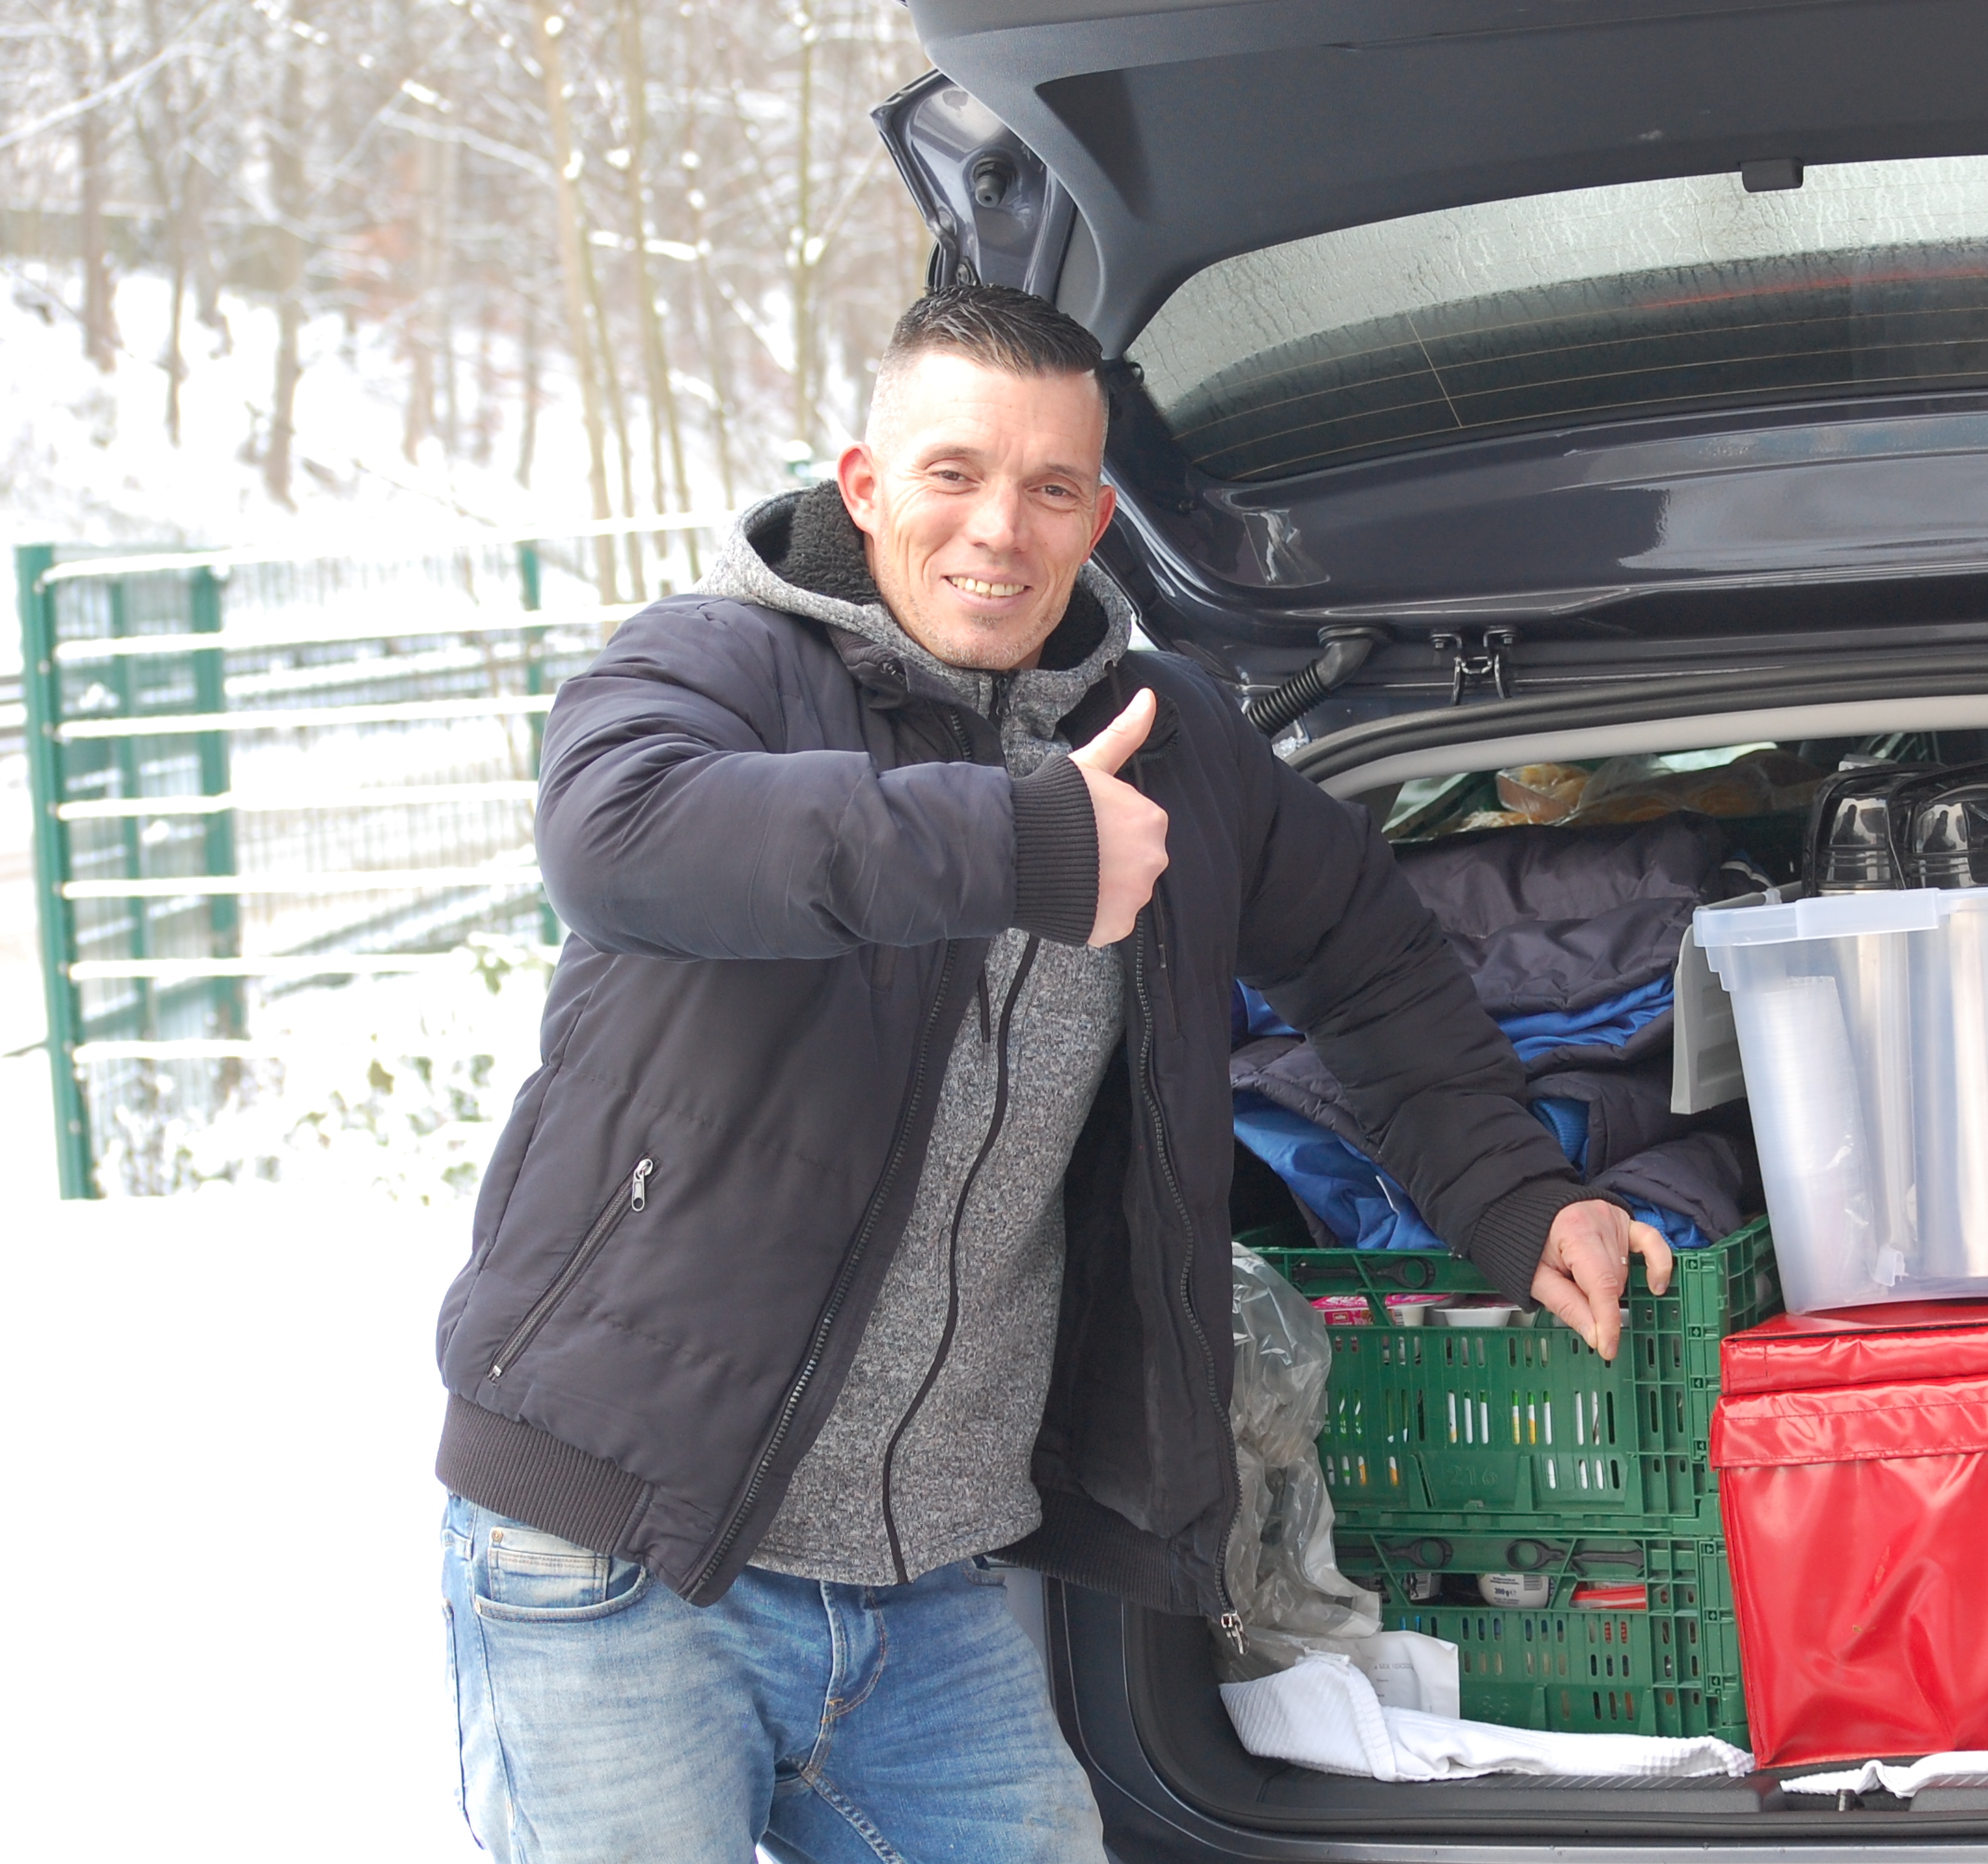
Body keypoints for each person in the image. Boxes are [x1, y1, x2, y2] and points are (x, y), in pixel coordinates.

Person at [433, 281, 1668, 1863]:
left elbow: (1369, 959)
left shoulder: (1176, 737)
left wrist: (1515, 1196)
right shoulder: (720, 662)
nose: (998, 529)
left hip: (928, 1584)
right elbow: (615, 839)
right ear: (863, 484)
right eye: (952, 473)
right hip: (622, 1541)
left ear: (1096, 521)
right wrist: (1021, 840)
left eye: (1050, 488)